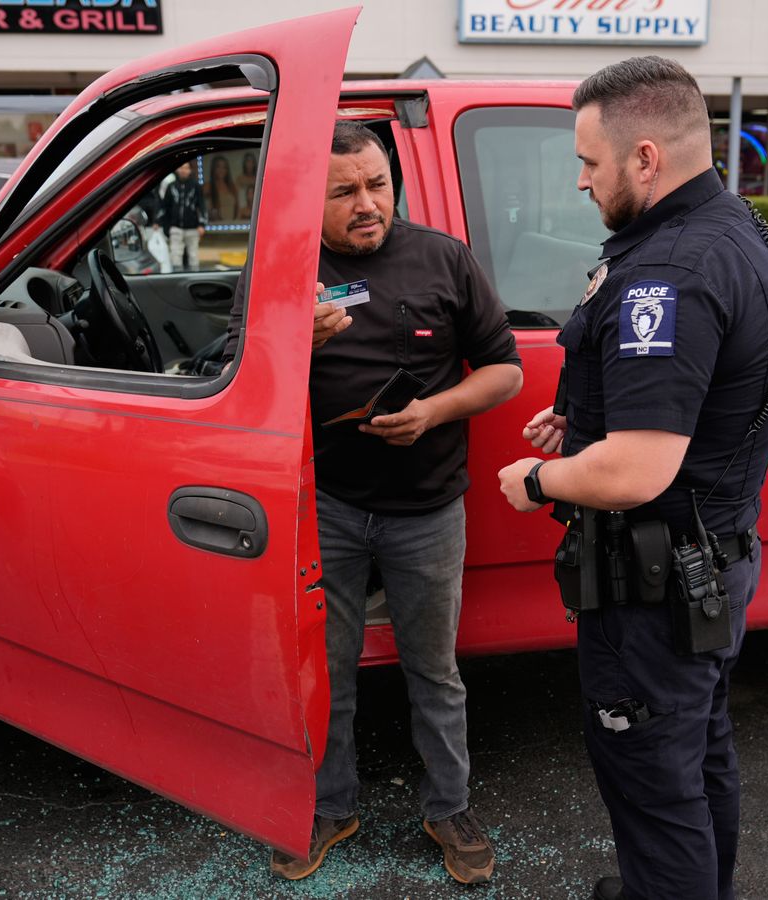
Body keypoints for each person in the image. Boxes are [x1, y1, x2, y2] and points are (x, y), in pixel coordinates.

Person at [497, 56, 768, 900]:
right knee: (698, 758)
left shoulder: (668, 273)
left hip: (654, 586)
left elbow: (638, 468)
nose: (582, 182)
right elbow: (682, 405)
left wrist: (543, 479)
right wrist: (583, 421)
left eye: (591, 163)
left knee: (655, 787)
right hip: (708, 561)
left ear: (646, 158)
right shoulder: (735, 229)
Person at [228, 121, 523, 884]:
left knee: (435, 667)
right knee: (326, 669)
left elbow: (505, 373)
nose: (367, 203)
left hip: (427, 507)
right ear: (309, 199)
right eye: (345, 192)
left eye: (377, 185)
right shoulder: (283, 269)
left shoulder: (442, 258)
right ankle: (331, 806)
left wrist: (435, 410)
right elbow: (233, 382)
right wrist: (299, 345)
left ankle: (448, 805)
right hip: (325, 508)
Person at [157, 162, 206, 271]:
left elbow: (201, 205)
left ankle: (195, 278)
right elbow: (165, 207)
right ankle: (176, 279)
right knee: (175, 255)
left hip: (192, 227)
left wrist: (202, 224)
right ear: (177, 169)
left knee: (193, 255)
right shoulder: (171, 186)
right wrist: (163, 224)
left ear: (190, 170)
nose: (184, 170)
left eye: (186, 168)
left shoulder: (196, 186)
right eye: (181, 167)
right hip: (176, 227)